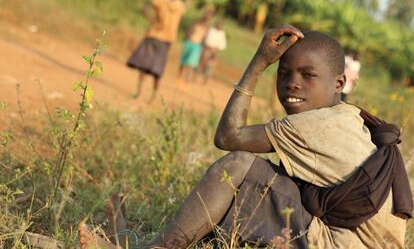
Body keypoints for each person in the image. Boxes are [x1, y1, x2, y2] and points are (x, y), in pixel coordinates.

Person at [79, 26, 412, 248]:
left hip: (340, 243)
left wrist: (259, 61)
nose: (292, 84)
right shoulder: (348, 116)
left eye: (308, 75)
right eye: (284, 74)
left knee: (239, 166)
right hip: (348, 238)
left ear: (339, 83)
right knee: (265, 176)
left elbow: (228, 136)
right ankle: (130, 239)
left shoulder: (315, 126)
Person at [127, 0, 186, 101]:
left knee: (144, 65)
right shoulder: (180, 6)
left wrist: (152, 21)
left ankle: (139, 93)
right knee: (158, 68)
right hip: (166, 40)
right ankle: (153, 96)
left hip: (153, 34)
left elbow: (145, 9)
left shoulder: (159, 0)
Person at [178, 12, 212, 82]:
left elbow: (205, 38)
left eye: (208, 16)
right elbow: (188, 30)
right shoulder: (196, 22)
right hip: (189, 42)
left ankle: (186, 80)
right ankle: (179, 76)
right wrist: (187, 37)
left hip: (197, 45)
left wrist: (203, 48)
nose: (206, 17)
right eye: (206, 15)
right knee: (183, 60)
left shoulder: (207, 27)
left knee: (191, 63)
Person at [197, 20, 227, 84]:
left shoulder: (222, 34)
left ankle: (205, 80)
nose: (219, 26)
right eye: (218, 24)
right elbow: (205, 38)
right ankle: (198, 77)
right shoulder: (211, 30)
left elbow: (222, 45)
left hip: (215, 52)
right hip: (207, 49)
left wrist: (216, 50)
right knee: (202, 63)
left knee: (210, 66)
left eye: (220, 25)